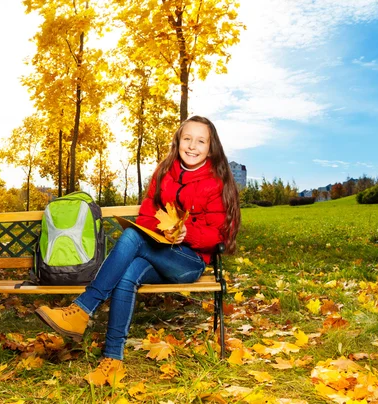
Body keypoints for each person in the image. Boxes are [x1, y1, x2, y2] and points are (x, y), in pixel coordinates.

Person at [35, 115, 240, 384]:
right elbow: (146, 214)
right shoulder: (165, 171)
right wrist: (161, 229)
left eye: (200, 141)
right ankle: (113, 360)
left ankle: (82, 310)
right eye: (187, 138)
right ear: (178, 141)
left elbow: (220, 234)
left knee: (132, 236)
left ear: (211, 147)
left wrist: (188, 233)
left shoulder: (217, 180)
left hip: (189, 262)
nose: (192, 146)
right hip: (158, 250)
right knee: (128, 271)